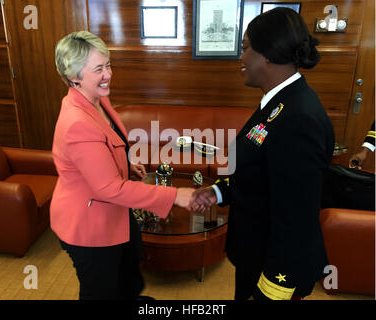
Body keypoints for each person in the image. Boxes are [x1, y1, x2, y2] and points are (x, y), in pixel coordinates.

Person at [191, 8, 335, 300]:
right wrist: (218, 192)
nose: (240, 58)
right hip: (254, 253)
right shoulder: (278, 103)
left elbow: (296, 215)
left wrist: (274, 289)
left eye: (245, 49)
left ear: (267, 53)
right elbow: (261, 171)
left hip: (275, 268)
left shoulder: (298, 117)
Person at [51, 31, 195, 300]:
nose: (108, 74)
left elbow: (108, 142)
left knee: (130, 265)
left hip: (114, 213)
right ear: (74, 77)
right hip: (88, 224)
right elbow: (108, 188)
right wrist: (175, 195)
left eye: (108, 65)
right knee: (101, 290)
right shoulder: (76, 123)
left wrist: (126, 162)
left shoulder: (98, 99)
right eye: (98, 69)